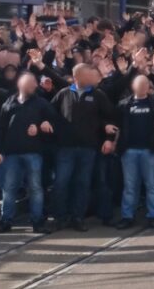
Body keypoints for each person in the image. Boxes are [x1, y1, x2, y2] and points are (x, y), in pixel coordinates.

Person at [49, 63, 117, 231]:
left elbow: (110, 117)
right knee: (61, 183)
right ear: (78, 76)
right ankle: (60, 216)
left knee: (82, 184)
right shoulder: (64, 93)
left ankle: (78, 217)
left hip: (88, 148)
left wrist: (109, 138)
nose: (93, 78)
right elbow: (50, 113)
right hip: (65, 148)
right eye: (89, 75)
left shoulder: (98, 95)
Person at [0, 72, 55, 233]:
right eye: (30, 82)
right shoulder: (9, 102)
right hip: (11, 153)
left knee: (35, 187)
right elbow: (0, 127)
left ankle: (37, 221)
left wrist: (41, 127)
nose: (34, 85)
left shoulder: (41, 103)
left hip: (33, 152)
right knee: (9, 188)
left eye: (34, 82)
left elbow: (54, 121)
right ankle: (6, 221)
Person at [115, 74, 154, 229]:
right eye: (139, 85)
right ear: (133, 86)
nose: (142, 87)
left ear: (148, 87)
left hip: (151, 150)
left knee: (152, 184)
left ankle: (153, 215)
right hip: (129, 151)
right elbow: (116, 123)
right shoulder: (124, 105)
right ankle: (128, 216)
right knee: (130, 185)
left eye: (145, 85)